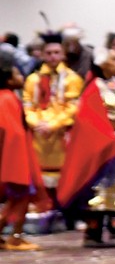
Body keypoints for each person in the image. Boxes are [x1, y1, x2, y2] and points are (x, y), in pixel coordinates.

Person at [58, 50, 115, 248]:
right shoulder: (94, 87)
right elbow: (88, 119)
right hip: (104, 145)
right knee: (100, 189)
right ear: (103, 64)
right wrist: (108, 136)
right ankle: (94, 231)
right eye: (114, 59)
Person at [23, 33, 85, 196]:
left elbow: (73, 108)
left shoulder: (72, 79)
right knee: (39, 177)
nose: (53, 56)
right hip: (38, 134)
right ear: (42, 54)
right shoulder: (32, 79)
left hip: (61, 134)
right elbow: (27, 105)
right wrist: (36, 123)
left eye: (57, 52)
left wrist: (53, 124)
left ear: (63, 54)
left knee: (63, 178)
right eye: (49, 53)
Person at [0, 48, 42, 251]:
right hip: (15, 157)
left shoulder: (7, 96)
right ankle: (15, 236)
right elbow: (12, 132)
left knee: (17, 199)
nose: (21, 76)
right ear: (8, 79)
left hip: (15, 155)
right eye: (17, 73)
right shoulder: (7, 98)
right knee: (21, 197)